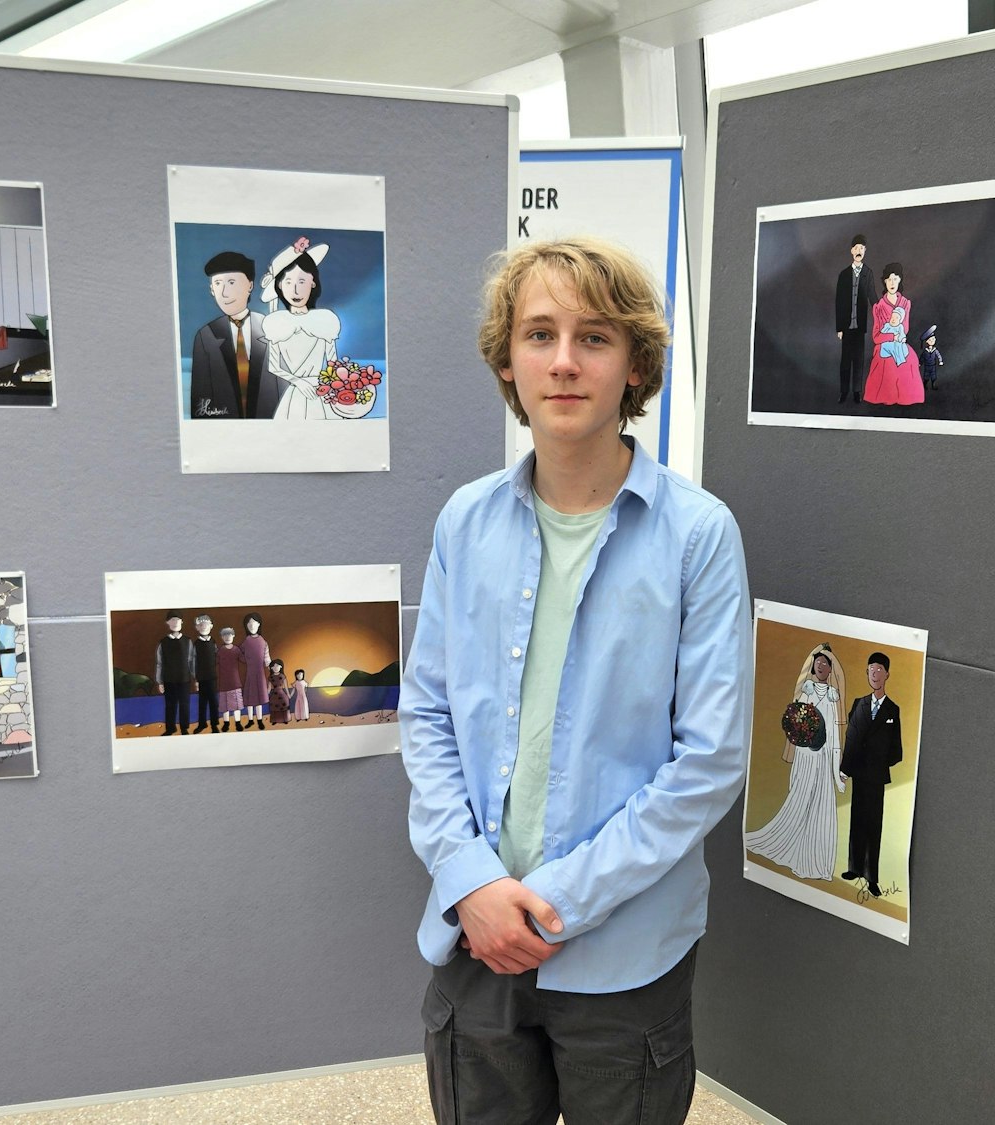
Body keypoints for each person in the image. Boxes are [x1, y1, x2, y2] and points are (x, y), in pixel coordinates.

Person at [403, 236, 750, 1125]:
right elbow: (429, 713)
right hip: (474, 937)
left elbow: (707, 762)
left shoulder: (699, 537)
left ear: (635, 365)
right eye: (539, 334)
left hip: (623, 954)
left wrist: (554, 903)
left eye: (594, 338)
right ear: (507, 361)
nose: (563, 361)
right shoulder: (464, 523)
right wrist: (472, 881)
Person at [743, 645, 845, 881]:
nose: (821, 666)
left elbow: (834, 738)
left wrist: (835, 771)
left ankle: (814, 859)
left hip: (822, 758)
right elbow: (795, 728)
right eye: (818, 662)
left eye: (825, 663)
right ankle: (786, 843)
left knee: (819, 804)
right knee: (799, 798)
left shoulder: (832, 698)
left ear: (831, 668)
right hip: (805, 756)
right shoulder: (805, 692)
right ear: (813, 665)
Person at [839, 652, 904, 898]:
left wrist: (877, 762)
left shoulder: (892, 709)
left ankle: (872, 877)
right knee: (857, 820)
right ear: (867, 673)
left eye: (879, 670)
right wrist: (846, 768)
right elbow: (852, 739)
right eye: (871, 670)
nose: (875, 674)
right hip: (858, 773)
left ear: (887, 674)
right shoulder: (859, 703)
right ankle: (854, 868)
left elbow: (896, 750)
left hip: (876, 776)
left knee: (873, 824)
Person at [260, 237, 342, 419]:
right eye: (288, 282)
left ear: (313, 283)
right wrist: (299, 382)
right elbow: (273, 367)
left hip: (323, 392)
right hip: (296, 393)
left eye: (302, 281)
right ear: (280, 286)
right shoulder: (276, 324)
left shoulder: (325, 320)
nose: (295, 290)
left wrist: (337, 385)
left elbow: (333, 364)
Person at [186, 250, 275, 419]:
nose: (224, 293)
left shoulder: (270, 328)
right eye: (218, 284)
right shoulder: (206, 336)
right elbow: (200, 402)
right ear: (211, 289)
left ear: (250, 285)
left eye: (232, 282)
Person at [863, 265, 922, 406]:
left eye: (895, 279)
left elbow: (905, 329)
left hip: (900, 343)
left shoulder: (905, 304)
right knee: (887, 362)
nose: (892, 283)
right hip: (884, 345)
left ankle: (907, 398)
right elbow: (876, 336)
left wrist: (898, 337)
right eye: (889, 279)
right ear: (884, 282)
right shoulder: (879, 307)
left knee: (910, 358)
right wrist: (891, 337)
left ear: (900, 280)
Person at [833, 234, 877, 403]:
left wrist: (882, 311)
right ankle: (844, 392)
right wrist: (839, 327)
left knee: (858, 359)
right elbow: (839, 301)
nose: (859, 251)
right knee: (845, 361)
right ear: (852, 251)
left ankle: (857, 392)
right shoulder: (844, 274)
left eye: (862, 248)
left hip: (860, 326)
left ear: (865, 251)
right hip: (846, 326)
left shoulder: (868, 273)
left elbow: (873, 297)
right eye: (856, 248)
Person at [152, 612, 195, 736]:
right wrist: (159, 681)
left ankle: (184, 728)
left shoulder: (188, 641)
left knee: (184, 705)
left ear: (182, 622)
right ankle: (170, 728)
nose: (175, 623)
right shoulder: (163, 642)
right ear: (168, 623)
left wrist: (196, 678)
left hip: (184, 679)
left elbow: (191, 661)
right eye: (172, 620)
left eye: (178, 620)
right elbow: (159, 663)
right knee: (170, 705)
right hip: (169, 679)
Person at [236, 613, 271, 730]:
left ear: (259, 624)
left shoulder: (263, 642)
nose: (251, 625)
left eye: (253, 623)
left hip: (260, 675)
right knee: (250, 698)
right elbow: (240, 654)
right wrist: (245, 660)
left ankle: (259, 720)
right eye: (249, 624)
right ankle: (251, 720)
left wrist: (272, 668)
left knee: (259, 699)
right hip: (250, 674)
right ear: (246, 626)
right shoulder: (246, 641)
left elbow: (267, 659)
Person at [213, 626, 249, 732]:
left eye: (229, 634)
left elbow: (244, 659)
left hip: (235, 683)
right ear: (222, 637)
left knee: (236, 705)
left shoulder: (236, 650)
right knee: (224, 706)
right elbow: (213, 663)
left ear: (233, 636)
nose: (227, 637)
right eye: (225, 635)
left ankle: (238, 723)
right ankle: (226, 724)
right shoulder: (219, 651)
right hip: (223, 683)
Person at [191, 614, 220, 734]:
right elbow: (193, 663)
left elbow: (217, 658)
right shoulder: (196, 644)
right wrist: (196, 679)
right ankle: (202, 723)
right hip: (201, 678)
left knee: (213, 702)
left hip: (212, 677)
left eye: (206, 625)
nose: (204, 627)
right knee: (202, 702)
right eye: (201, 625)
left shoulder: (213, 642)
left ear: (211, 627)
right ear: (197, 627)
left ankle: (214, 725)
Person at [916, 324, 944, 393]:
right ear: (927, 341)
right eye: (930, 340)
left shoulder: (935, 350)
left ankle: (933, 385)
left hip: (933, 365)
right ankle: (924, 385)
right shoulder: (925, 351)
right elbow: (922, 358)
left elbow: (938, 355)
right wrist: (920, 363)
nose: (932, 341)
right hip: (927, 366)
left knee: (933, 376)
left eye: (933, 339)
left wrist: (940, 361)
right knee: (926, 376)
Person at [266, 659, 290, 726]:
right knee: (274, 707)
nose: (275, 668)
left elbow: (286, 687)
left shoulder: (283, 676)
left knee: (284, 706)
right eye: (274, 666)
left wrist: (288, 694)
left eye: (277, 666)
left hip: (282, 694)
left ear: (281, 667)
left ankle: (285, 719)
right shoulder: (270, 677)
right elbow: (269, 688)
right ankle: (275, 720)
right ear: (271, 668)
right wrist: (266, 696)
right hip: (274, 695)